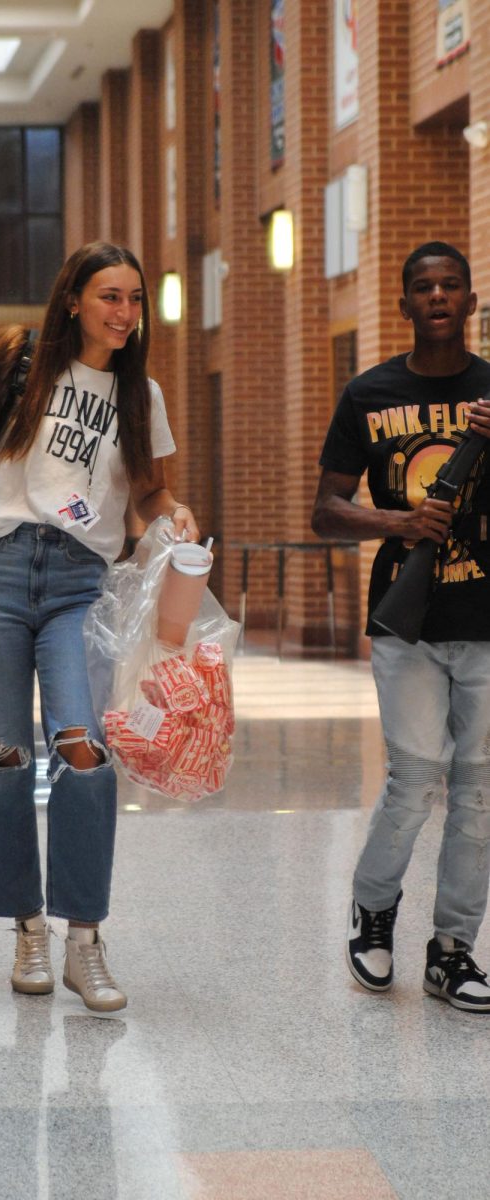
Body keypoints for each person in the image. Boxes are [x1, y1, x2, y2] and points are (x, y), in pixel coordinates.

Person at [0, 241, 199, 1013]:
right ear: (72, 299)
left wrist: (168, 511)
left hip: (80, 582)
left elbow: (146, 493)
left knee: (84, 751)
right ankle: (27, 928)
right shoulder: (18, 364)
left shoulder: (142, 397)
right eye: (110, 296)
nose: (125, 313)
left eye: (134, 300)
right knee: (2, 757)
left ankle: (84, 940)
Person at [311, 241, 490, 1011]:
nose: (438, 296)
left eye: (451, 284)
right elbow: (323, 511)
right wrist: (399, 518)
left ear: (471, 300)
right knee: (415, 780)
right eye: (423, 286)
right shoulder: (367, 393)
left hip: (486, 616)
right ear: (404, 304)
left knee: (479, 792)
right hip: (405, 620)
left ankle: (452, 949)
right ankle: (373, 911)